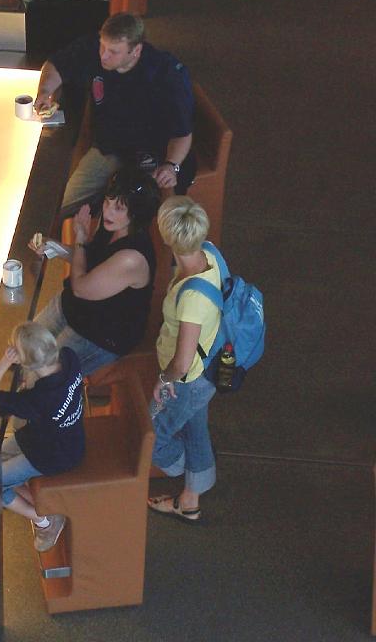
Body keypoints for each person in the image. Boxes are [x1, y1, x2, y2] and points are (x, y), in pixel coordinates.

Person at [34, 12, 195, 216]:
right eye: (102, 46)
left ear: (135, 50)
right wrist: (45, 91)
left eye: (113, 51)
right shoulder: (94, 48)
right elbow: (56, 65)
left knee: (133, 215)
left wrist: (172, 165)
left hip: (152, 155)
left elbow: (182, 134)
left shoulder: (166, 75)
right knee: (59, 207)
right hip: (109, 148)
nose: (103, 55)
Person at [30, 168, 160, 376]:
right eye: (108, 202)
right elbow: (90, 259)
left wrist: (80, 236)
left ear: (136, 214)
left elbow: (81, 287)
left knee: (44, 376)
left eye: (118, 208)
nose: (107, 212)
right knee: (27, 344)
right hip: (76, 307)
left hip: (100, 332)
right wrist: (54, 247)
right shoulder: (112, 226)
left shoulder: (131, 258)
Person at [0, 322, 85, 553]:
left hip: (52, 456)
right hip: (65, 439)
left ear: (24, 362)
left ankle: (45, 519)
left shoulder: (37, 399)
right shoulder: (69, 357)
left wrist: (5, 361)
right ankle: (38, 498)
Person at [147, 196, 219, 523]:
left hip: (186, 383)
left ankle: (179, 469)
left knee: (150, 435)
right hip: (208, 372)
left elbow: (182, 361)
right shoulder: (211, 255)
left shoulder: (191, 298)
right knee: (195, 428)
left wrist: (163, 381)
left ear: (168, 239)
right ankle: (190, 499)